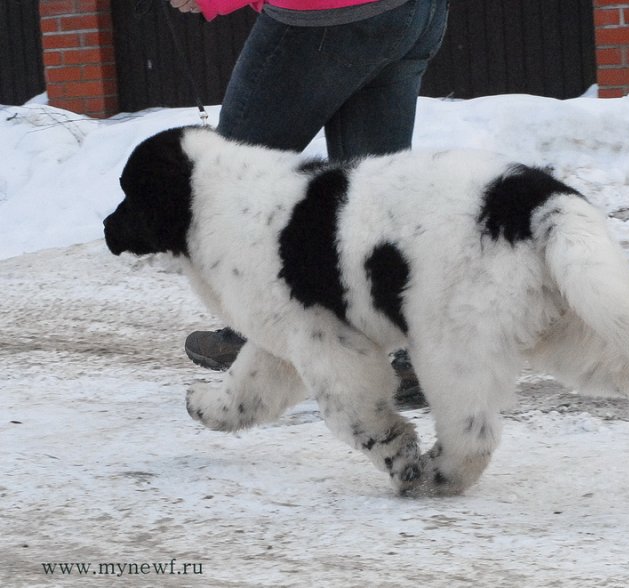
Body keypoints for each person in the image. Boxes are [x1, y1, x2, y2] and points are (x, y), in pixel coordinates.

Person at [167, 0, 448, 407]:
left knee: (231, 176)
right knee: (372, 195)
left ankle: (259, 339)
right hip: (412, 12)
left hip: (326, 15)